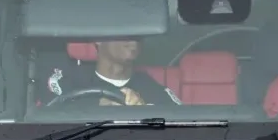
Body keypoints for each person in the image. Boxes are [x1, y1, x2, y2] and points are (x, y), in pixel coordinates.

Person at [44, 40, 182, 106]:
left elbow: (179, 128)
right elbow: (46, 111)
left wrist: (144, 111)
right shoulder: (67, 80)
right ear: (99, 39)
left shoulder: (152, 88)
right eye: (124, 31)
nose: (132, 40)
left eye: (137, 33)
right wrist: (99, 105)